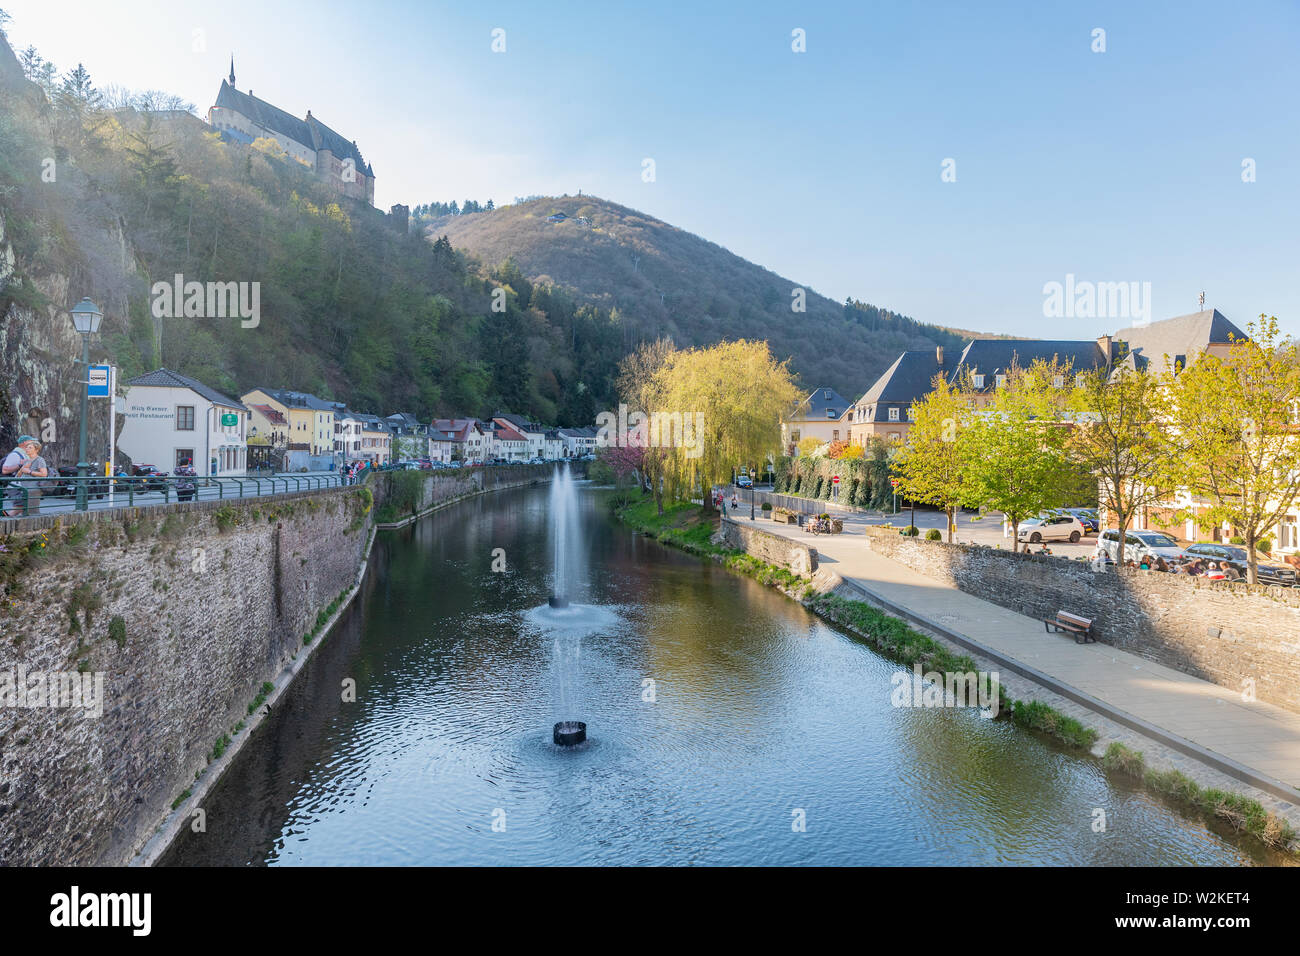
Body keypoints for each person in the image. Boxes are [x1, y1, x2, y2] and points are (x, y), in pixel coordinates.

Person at [3, 435, 48, 516]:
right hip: (23, 488)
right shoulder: (25, 459)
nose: (27, 449)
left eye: (30, 447)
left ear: (36, 449)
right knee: (23, 508)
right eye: (27, 447)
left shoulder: (39, 460)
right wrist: (22, 468)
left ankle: (6, 518)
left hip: (31, 490)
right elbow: (18, 475)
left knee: (29, 510)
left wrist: (29, 471)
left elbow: (44, 474)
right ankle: (6, 518)